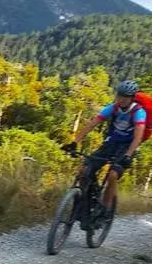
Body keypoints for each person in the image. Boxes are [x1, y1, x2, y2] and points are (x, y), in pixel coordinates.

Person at [62, 79, 146, 217]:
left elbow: (138, 137)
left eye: (126, 96)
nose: (122, 99)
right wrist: (75, 142)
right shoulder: (112, 108)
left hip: (127, 147)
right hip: (111, 143)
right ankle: (84, 203)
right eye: (120, 95)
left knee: (113, 175)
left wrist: (128, 155)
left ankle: (105, 210)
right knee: (84, 170)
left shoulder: (139, 112)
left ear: (132, 98)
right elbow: (92, 123)